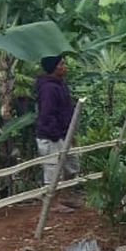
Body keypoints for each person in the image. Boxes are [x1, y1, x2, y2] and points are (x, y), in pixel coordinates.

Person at [35, 55, 79, 212]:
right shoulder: (49, 88)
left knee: (71, 166)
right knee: (53, 170)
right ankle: (53, 203)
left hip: (63, 134)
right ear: (54, 67)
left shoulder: (59, 84)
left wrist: (69, 133)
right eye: (62, 64)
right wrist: (56, 134)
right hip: (51, 136)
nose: (65, 66)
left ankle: (65, 197)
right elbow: (47, 114)